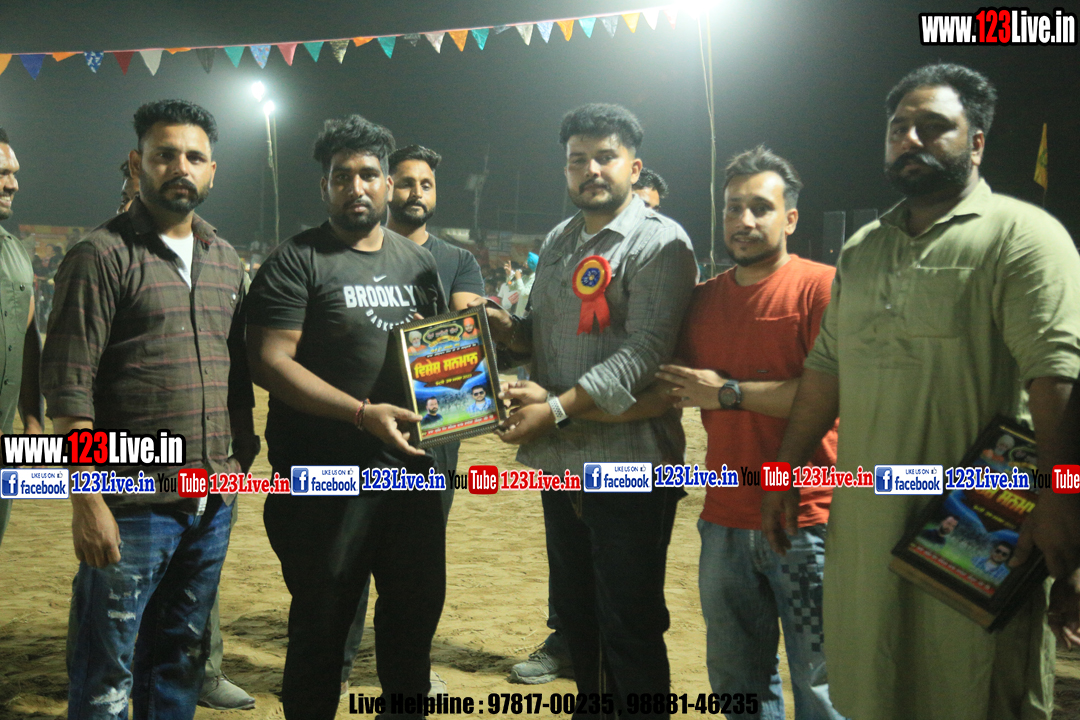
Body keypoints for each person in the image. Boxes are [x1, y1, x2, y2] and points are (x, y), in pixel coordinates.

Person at [762, 63, 1080, 720]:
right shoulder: (862, 250)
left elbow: (1057, 378)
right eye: (898, 128)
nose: (910, 139)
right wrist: (782, 470)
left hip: (979, 532)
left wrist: (1062, 498)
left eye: (933, 126)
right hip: (865, 533)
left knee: (974, 688)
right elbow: (826, 370)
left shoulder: (1023, 236)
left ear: (977, 142)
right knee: (873, 685)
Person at [42, 99, 258, 720]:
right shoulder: (99, 255)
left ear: (212, 171)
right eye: (165, 155)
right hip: (131, 506)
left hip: (210, 503)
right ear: (138, 165)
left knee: (178, 664)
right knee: (106, 669)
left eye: (194, 157)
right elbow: (70, 389)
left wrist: (237, 466)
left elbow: (235, 376)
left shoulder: (225, 260)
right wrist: (88, 503)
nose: (180, 167)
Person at [483, 103, 697, 717]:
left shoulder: (662, 242)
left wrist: (554, 407)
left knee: (629, 622)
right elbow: (542, 337)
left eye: (605, 157)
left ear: (634, 166)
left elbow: (644, 353)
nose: (592, 170)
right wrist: (503, 329)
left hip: (631, 464)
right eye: (578, 160)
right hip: (561, 464)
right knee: (579, 617)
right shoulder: (557, 240)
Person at [246, 114, 446, 720]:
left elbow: (441, 358)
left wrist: (470, 387)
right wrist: (361, 414)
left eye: (367, 174)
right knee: (321, 628)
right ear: (325, 186)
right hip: (324, 481)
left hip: (410, 478)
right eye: (341, 177)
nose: (355, 187)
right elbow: (269, 361)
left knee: (412, 624)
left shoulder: (418, 264)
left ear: (387, 183)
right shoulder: (296, 260)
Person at [656, 146, 845, 720]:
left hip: (809, 520)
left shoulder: (822, 288)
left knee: (822, 684)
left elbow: (832, 391)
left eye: (761, 207)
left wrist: (727, 392)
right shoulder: (701, 302)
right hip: (723, 521)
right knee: (737, 684)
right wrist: (558, 406)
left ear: (791, 218)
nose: (744, 219)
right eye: (733, 207)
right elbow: (664, 384)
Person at [0, 127, 44, 551]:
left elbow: (28, 341)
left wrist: (32, 418)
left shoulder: (15, 252)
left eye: (13, 172)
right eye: (1, 173)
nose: (12, 183)